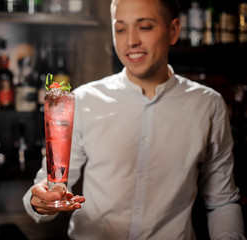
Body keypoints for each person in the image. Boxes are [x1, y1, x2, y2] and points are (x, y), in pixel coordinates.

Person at [23, 0, 246, 239]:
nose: (131, 41)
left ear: (173, 31)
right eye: (120, 29)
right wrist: (41, 202)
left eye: (145, 27)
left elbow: (222, 203)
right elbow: (47, 187)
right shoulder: (83, 100)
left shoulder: (208, 105)